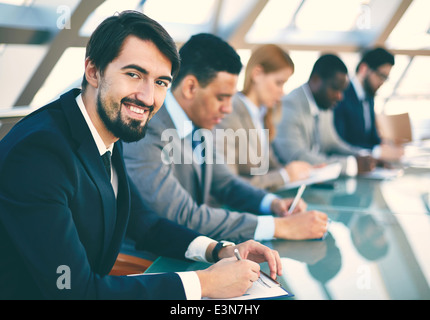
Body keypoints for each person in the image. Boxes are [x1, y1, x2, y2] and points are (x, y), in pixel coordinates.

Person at [0, 11, 282, 300]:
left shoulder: (107, 129)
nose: (147, 97)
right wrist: (203, 284)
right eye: (134, 74)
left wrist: (220, 249)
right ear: (94, 71)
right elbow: (75, 291)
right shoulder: (39, 153)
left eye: (160, 82)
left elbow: (144, 222)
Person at [123, 34, 328, 244]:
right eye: (221, 97)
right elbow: (183, 215)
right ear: (190, 88)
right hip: (148, 261)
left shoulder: (198, 124)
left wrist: (272, 203)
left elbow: (226, 183)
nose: (228, 108)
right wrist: (279, 227)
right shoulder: (146, 130)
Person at [215, 44, 313, 191]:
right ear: (257, 74)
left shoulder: (262, 114)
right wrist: (284, 176)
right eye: (279, 83)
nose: (282, 92)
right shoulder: (231, 113)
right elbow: (230, 182)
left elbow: (269, 166)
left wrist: (304, 172)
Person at [272, 54, 375, 177]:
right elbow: (297, 157)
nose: (340, 96)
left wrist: (364, 155)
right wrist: (350, 166)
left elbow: (332, 143)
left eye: (342, 90)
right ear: (316, 80)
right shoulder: (289, 106)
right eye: (335, 89)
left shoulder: (324, 104)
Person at [334, 47, 403, 160]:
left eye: (386, 78)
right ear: (364, 69)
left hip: (367, 163)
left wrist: (384, 146)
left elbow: (371, 137)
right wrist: (376, 151)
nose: (382, 82)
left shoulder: (369, 96)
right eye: (381, 75)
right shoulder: (341, 95)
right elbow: (340, 142)